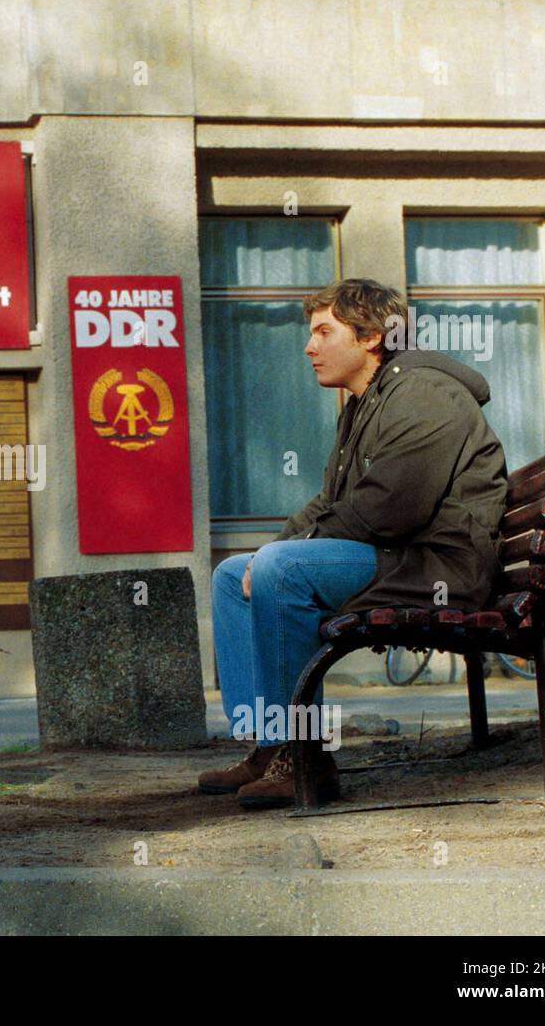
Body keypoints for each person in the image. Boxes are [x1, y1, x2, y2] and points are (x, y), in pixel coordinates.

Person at [199, 278, 508, 809]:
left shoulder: (425, 393)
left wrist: (278, 559)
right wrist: (274, 549)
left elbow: (389, 507)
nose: (309, 346)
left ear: (370, 337)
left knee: (280, 570)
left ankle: (304, 756)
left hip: (437, 567)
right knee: (233, 575)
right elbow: (329, 503)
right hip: (397, 556)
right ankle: (271, 742)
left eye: (323, 331)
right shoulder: (365, 403)